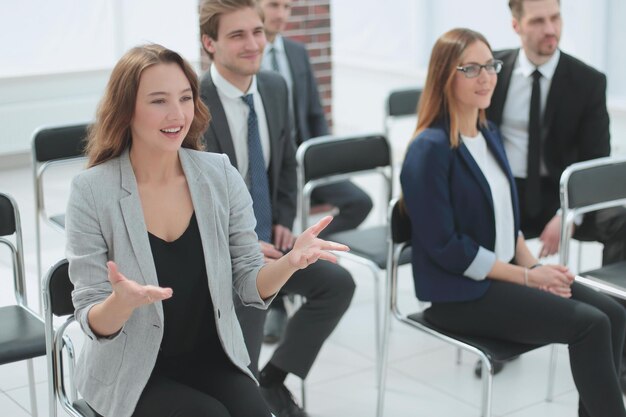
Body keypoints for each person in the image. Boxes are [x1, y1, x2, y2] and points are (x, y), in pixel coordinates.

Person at [65, 43, 347, 417]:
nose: (177, 114)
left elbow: (249, 281)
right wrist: (120, 303)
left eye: (185, 98)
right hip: (132, 371)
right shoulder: (91, 191)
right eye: (158, 101)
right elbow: (90, 317)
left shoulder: (218, 174)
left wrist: (291, 262)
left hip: (211, 356)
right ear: (126, 108)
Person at [400, 28, 626, 417]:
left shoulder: (488, 134)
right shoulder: (428, 149)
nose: (486, 77)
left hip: (502, 275)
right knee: (591, 325)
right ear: (444, 76)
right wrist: (527, 278)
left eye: (490, 66)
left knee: (616, 313)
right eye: (471, 68)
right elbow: (448, 249)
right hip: (459, 294)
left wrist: (536, 266)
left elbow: (509, 224)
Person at [198, 1, 355, 416]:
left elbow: (285, 162)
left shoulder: (273, 86)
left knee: (337, 285)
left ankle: (274, 379)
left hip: (272, 239)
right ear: (209, 43)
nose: (253, 44)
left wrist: (283, 220)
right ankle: (250, 388)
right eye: (237, 35)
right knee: (238, 369)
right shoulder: (193, 103)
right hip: (223, 256)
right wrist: (245, 245)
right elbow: (193, 202)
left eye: (257, 32)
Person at [484, 0, 626, 379]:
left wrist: (569, 214)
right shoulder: (490, 71)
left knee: (622, 221)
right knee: (486, 226)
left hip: (562, 193)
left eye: (556, 18)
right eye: (538, 21)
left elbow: (596, 159)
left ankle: (616, 343)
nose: (551, 29)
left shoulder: (588, 80)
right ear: (516, 25)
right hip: (507, 190)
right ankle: (498, 335)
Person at [257, 0, 372, 344]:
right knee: (270, 221)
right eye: (273, 5)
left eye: (287, 7)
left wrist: (326, 158)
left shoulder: (296, 53)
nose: (281, 14)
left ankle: (301, 250)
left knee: (359, 202)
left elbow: (314, 114)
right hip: (268, 167)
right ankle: (275, 299)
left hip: (305, 161)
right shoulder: (248, 57)